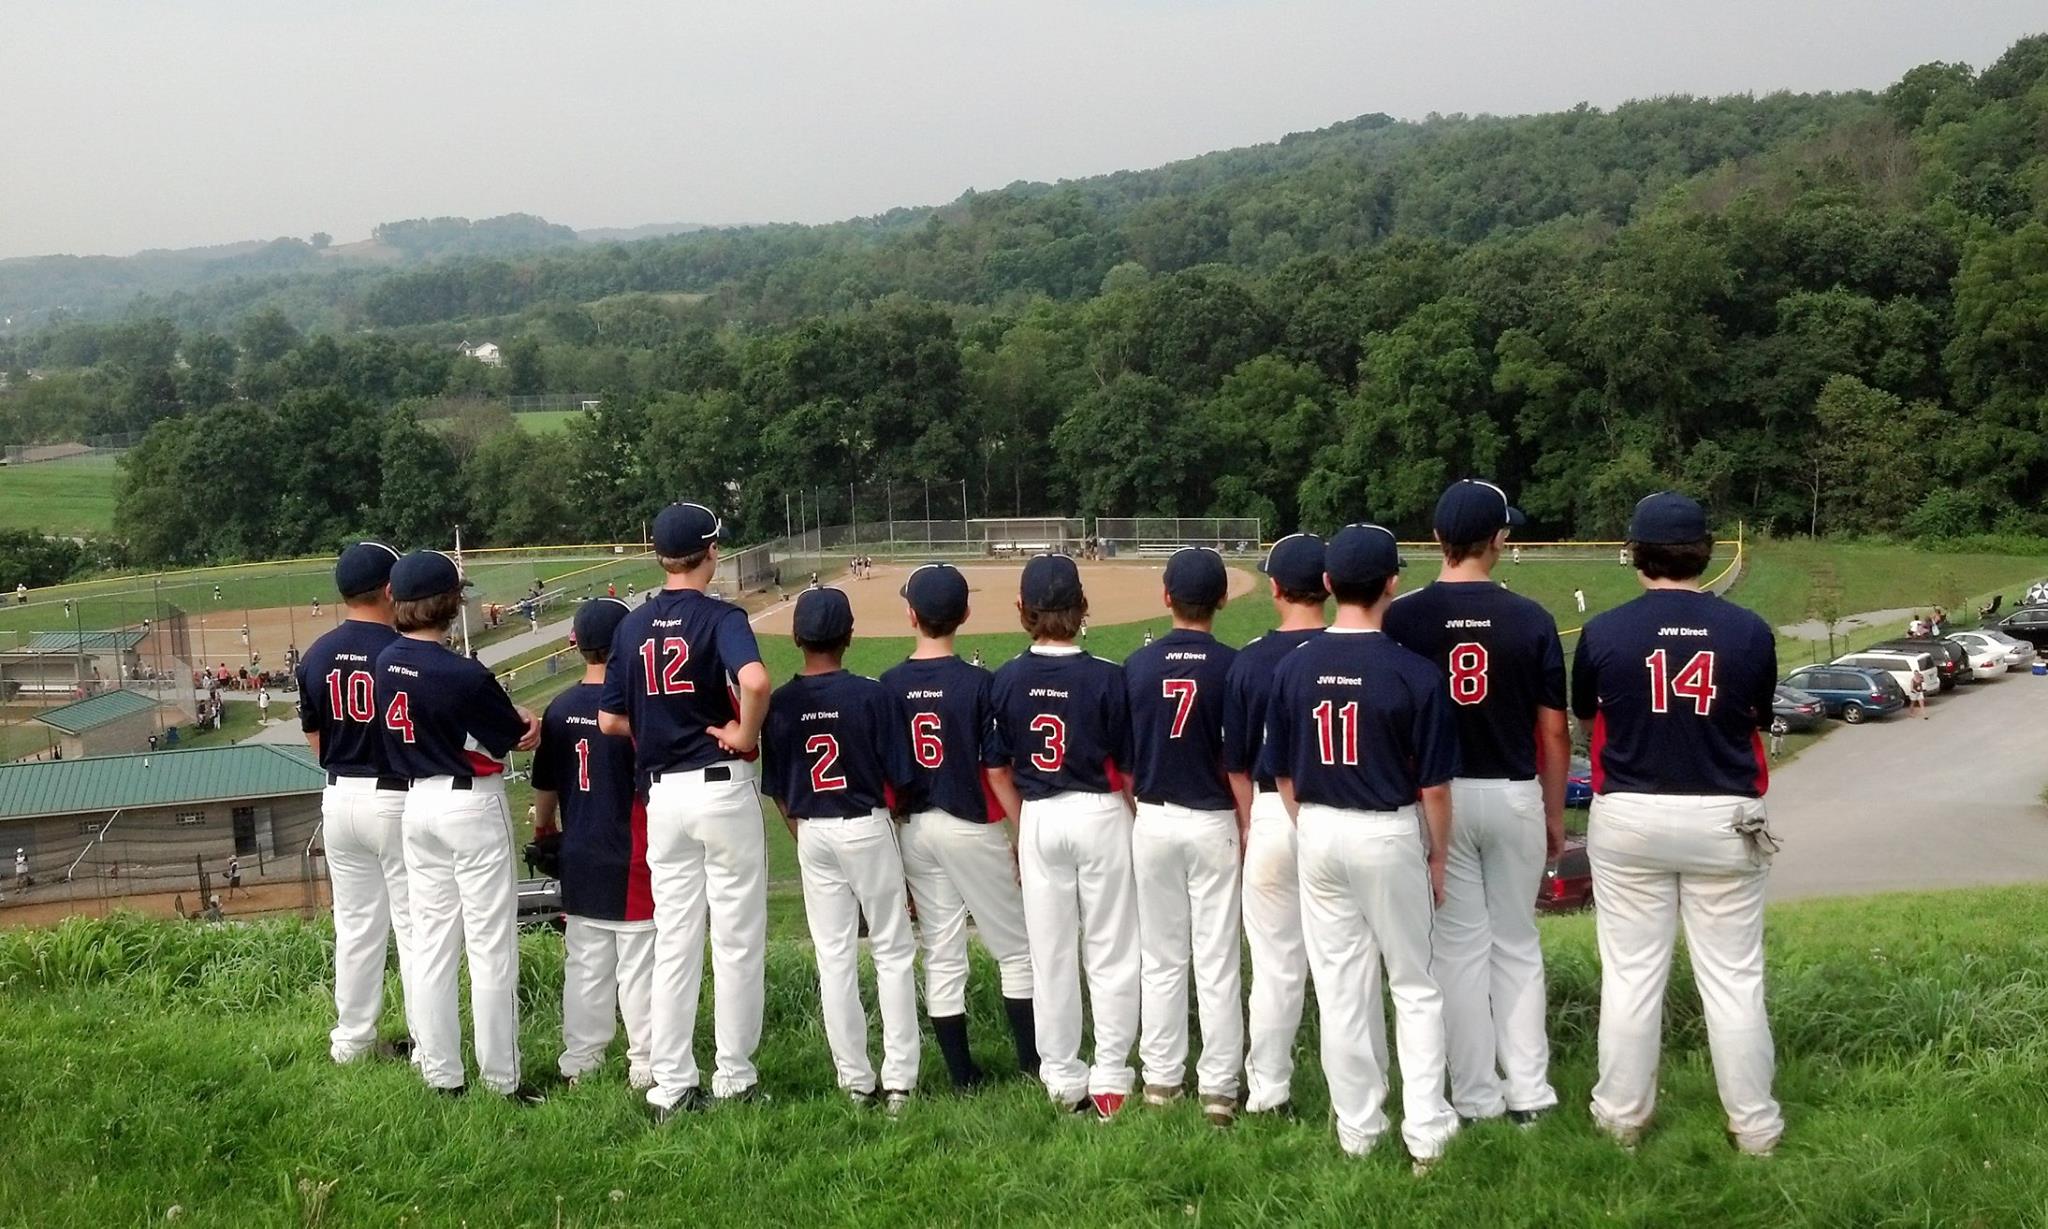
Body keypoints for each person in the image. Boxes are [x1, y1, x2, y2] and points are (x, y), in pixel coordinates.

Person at [1571, 491, 1782, 1156]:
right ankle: (1755, 1127)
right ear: (1707, 551)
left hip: (1630, 808)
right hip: (1724, 810)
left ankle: (1622, 1118)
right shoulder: (1748, 629)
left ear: (1636, 553)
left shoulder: (1604, 630)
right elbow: (1757, 716)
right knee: (1734, 978)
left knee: (1632, 975)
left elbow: (1587, 723)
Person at [1260, 523, 1461, 1169]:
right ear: (1393, 584)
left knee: (1342, 985)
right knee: (1414, 983)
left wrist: (1308, 823)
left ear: (1327, 583)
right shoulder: (1414, 670)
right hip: (1387, 827)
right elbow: (1433, 786)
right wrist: (1436, 855)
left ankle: (1359, 1128)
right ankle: (1426, 1131)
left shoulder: (1293, 667)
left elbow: (1282, 773)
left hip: (1316, 825)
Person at [1385, 480, 1568, 1127]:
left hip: (1441, 796)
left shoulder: (1403, 617)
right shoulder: (1533, 618)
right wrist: (1553, 810)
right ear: (1499, 540)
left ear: (1436, 539)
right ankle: (1529, 1093)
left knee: (1457, 949)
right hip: (1514, 789)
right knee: (1516, 943)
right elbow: (1552, 730)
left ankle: (1475, 1093)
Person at [598, 502, 774, 1122]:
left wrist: (658, 727)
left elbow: (610, 719)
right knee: (735, 939)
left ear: (658, 556)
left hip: (664, 796)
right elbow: (754, 681)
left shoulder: (631, 624)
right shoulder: (721, 616)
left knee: (674, 940)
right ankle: (735, 1074)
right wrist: (742, 734)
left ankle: (672, 1082)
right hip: (720, 786)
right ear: (711, 553)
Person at [375, 549, 546, 1103]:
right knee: (491, 946)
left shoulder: (383, 661)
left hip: (416, 806)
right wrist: (528, 725)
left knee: (430, 946)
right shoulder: (464, 671)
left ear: (398, 602)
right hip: (469, 804)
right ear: (451, 603)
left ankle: (441, 1075)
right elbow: (510, 737)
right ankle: (502, 1081)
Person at [762, 588, 921, 1114]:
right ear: (849, 636)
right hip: (866, 825)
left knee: (834, 959)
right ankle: (899, 1081)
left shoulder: (780, 704)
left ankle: (855, 1082)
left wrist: (805, 837)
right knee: (893, 951)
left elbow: (781, 791)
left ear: (796, 638)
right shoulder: (873, 695)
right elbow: (901, 778)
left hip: (812, 831)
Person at [991, 554, 1138, 1120]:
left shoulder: (1004, 678)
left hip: (1040, 818)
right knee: (1110, 948)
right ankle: (1111, 1077)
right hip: (1100, 814)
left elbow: (997, 768)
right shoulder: (1108, 675)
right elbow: (1126, 771)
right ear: (1083, 610)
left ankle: (1060, 1077)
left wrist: (1021, 827)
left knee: (1050, 952)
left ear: (1022, 612)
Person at [882, 563, 1037, 1090]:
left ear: (910, 615)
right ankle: (1033, 1064)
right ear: (965, 615)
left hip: (915, 830)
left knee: (942, 953)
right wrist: (1021, 831)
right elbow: (997, 767)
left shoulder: (890, 685)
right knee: (1017, 948)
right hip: (970, 824)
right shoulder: (980, 683)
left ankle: (961, 1075)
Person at [1123, 548, 1243, 1127]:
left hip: (1153, 818)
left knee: (1161, 957)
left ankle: (1162, 1078)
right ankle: (1218, 1088)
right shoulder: (1233, 665)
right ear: (1222, 599)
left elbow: (1123, 760)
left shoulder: (1137, 665)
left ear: (1165, 597)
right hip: (1213, 817)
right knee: (1216, 959)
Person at [297, 541, 418, 1066]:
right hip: (394, 798)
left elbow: (317, 742)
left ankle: (351, 1042)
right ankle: (426, 1046)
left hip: (338, 796)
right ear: (391, 590)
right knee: (416, 928)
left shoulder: (317, 653)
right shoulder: (404, 651)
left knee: (356, 927)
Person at [532, 597, 656, 1089]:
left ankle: (580, 1063)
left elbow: (545, 788)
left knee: (585, 963)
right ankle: (645, 1064)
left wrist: (544, 833)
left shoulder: (560, 708)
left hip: (579, 854)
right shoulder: (632, 709)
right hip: (631, 857)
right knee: (640, 966)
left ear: (576, 645)